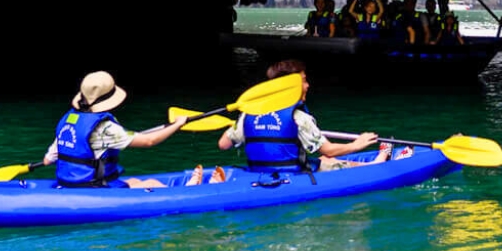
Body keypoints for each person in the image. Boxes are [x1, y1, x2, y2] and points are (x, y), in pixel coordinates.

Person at [218, 59, 382, 175]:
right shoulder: (299, 118)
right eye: (303, 81)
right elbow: (329, 150)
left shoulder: (248, 114)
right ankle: (375, 166)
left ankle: (373, 163)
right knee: (327, 159)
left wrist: (239, 125)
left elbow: (223, 144)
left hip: (259, 173)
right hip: (294, 176)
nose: (308, 85)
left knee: (324, 160)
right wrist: (357, 144)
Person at [45, 71, 196, 189]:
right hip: (93, 189)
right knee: (152, 183)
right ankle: (190, 189)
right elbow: (149, 141)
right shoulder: (106, 128)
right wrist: (177, 124)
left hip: (68, 184)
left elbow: (48, 160)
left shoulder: (69, 120)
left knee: (135, 181)